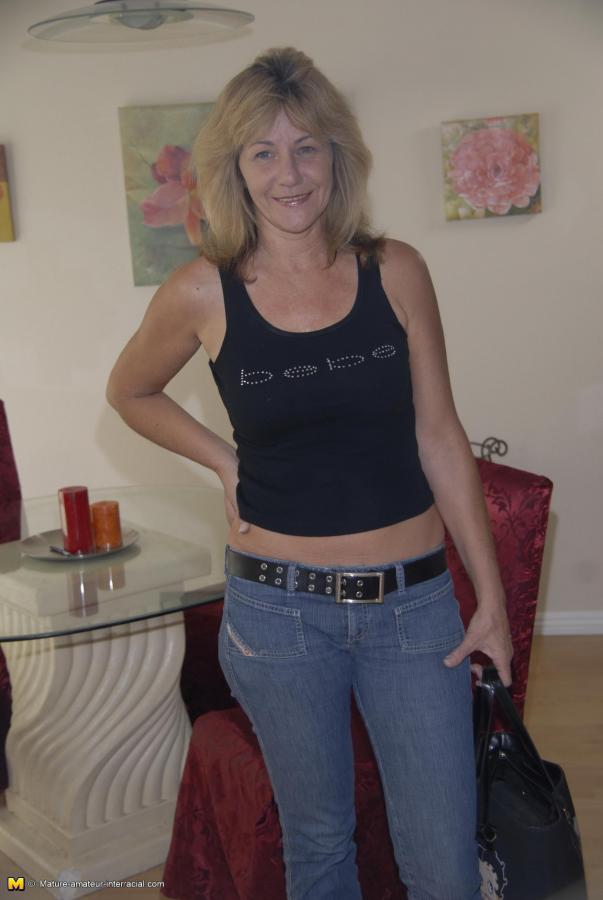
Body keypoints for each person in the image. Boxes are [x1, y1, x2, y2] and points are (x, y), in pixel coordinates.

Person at [107, 46, 513, 900]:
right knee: (319, 847)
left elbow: (440, 434)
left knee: (443, 863)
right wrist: (222, 458)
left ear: (337, 154)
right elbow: (130, 391)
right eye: (262, 152)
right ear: (234, 168)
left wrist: (490, 600)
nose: (287, 174)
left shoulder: (395, 269)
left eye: (305, 148)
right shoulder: (201, 292)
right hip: (278, 615)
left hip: (414, 612)